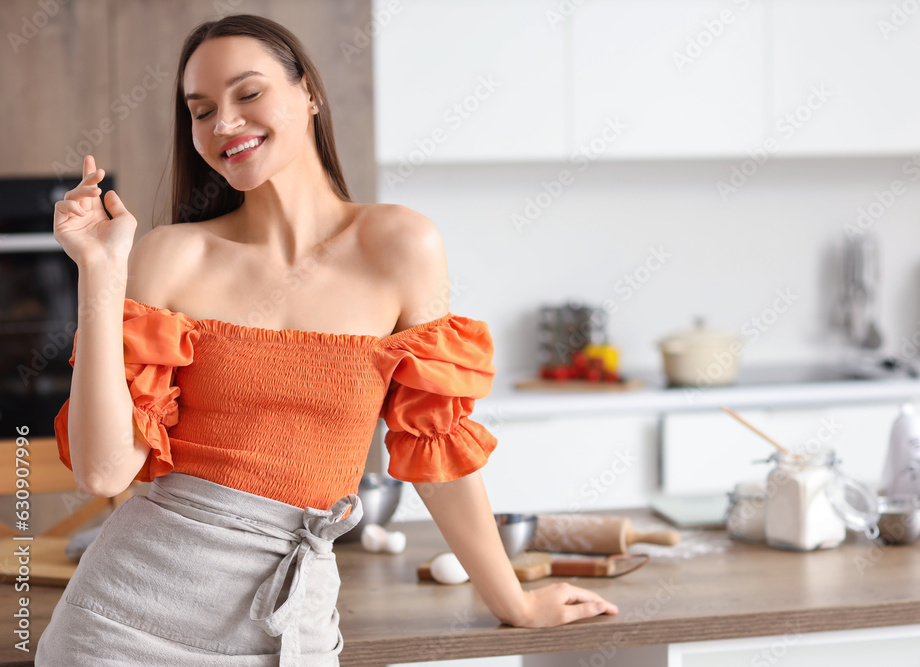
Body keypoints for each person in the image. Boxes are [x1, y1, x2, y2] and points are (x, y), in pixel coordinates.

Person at [35, 13, 617, 666]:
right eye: (201, 110)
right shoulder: (172, 255)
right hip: (124, 624)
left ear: (308, 92)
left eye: (248, 94)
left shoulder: (399, 246)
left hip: (294, 621)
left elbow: (435, 447)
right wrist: (100, 273)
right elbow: (103, 470)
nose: (224, 123)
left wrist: (514, 601)